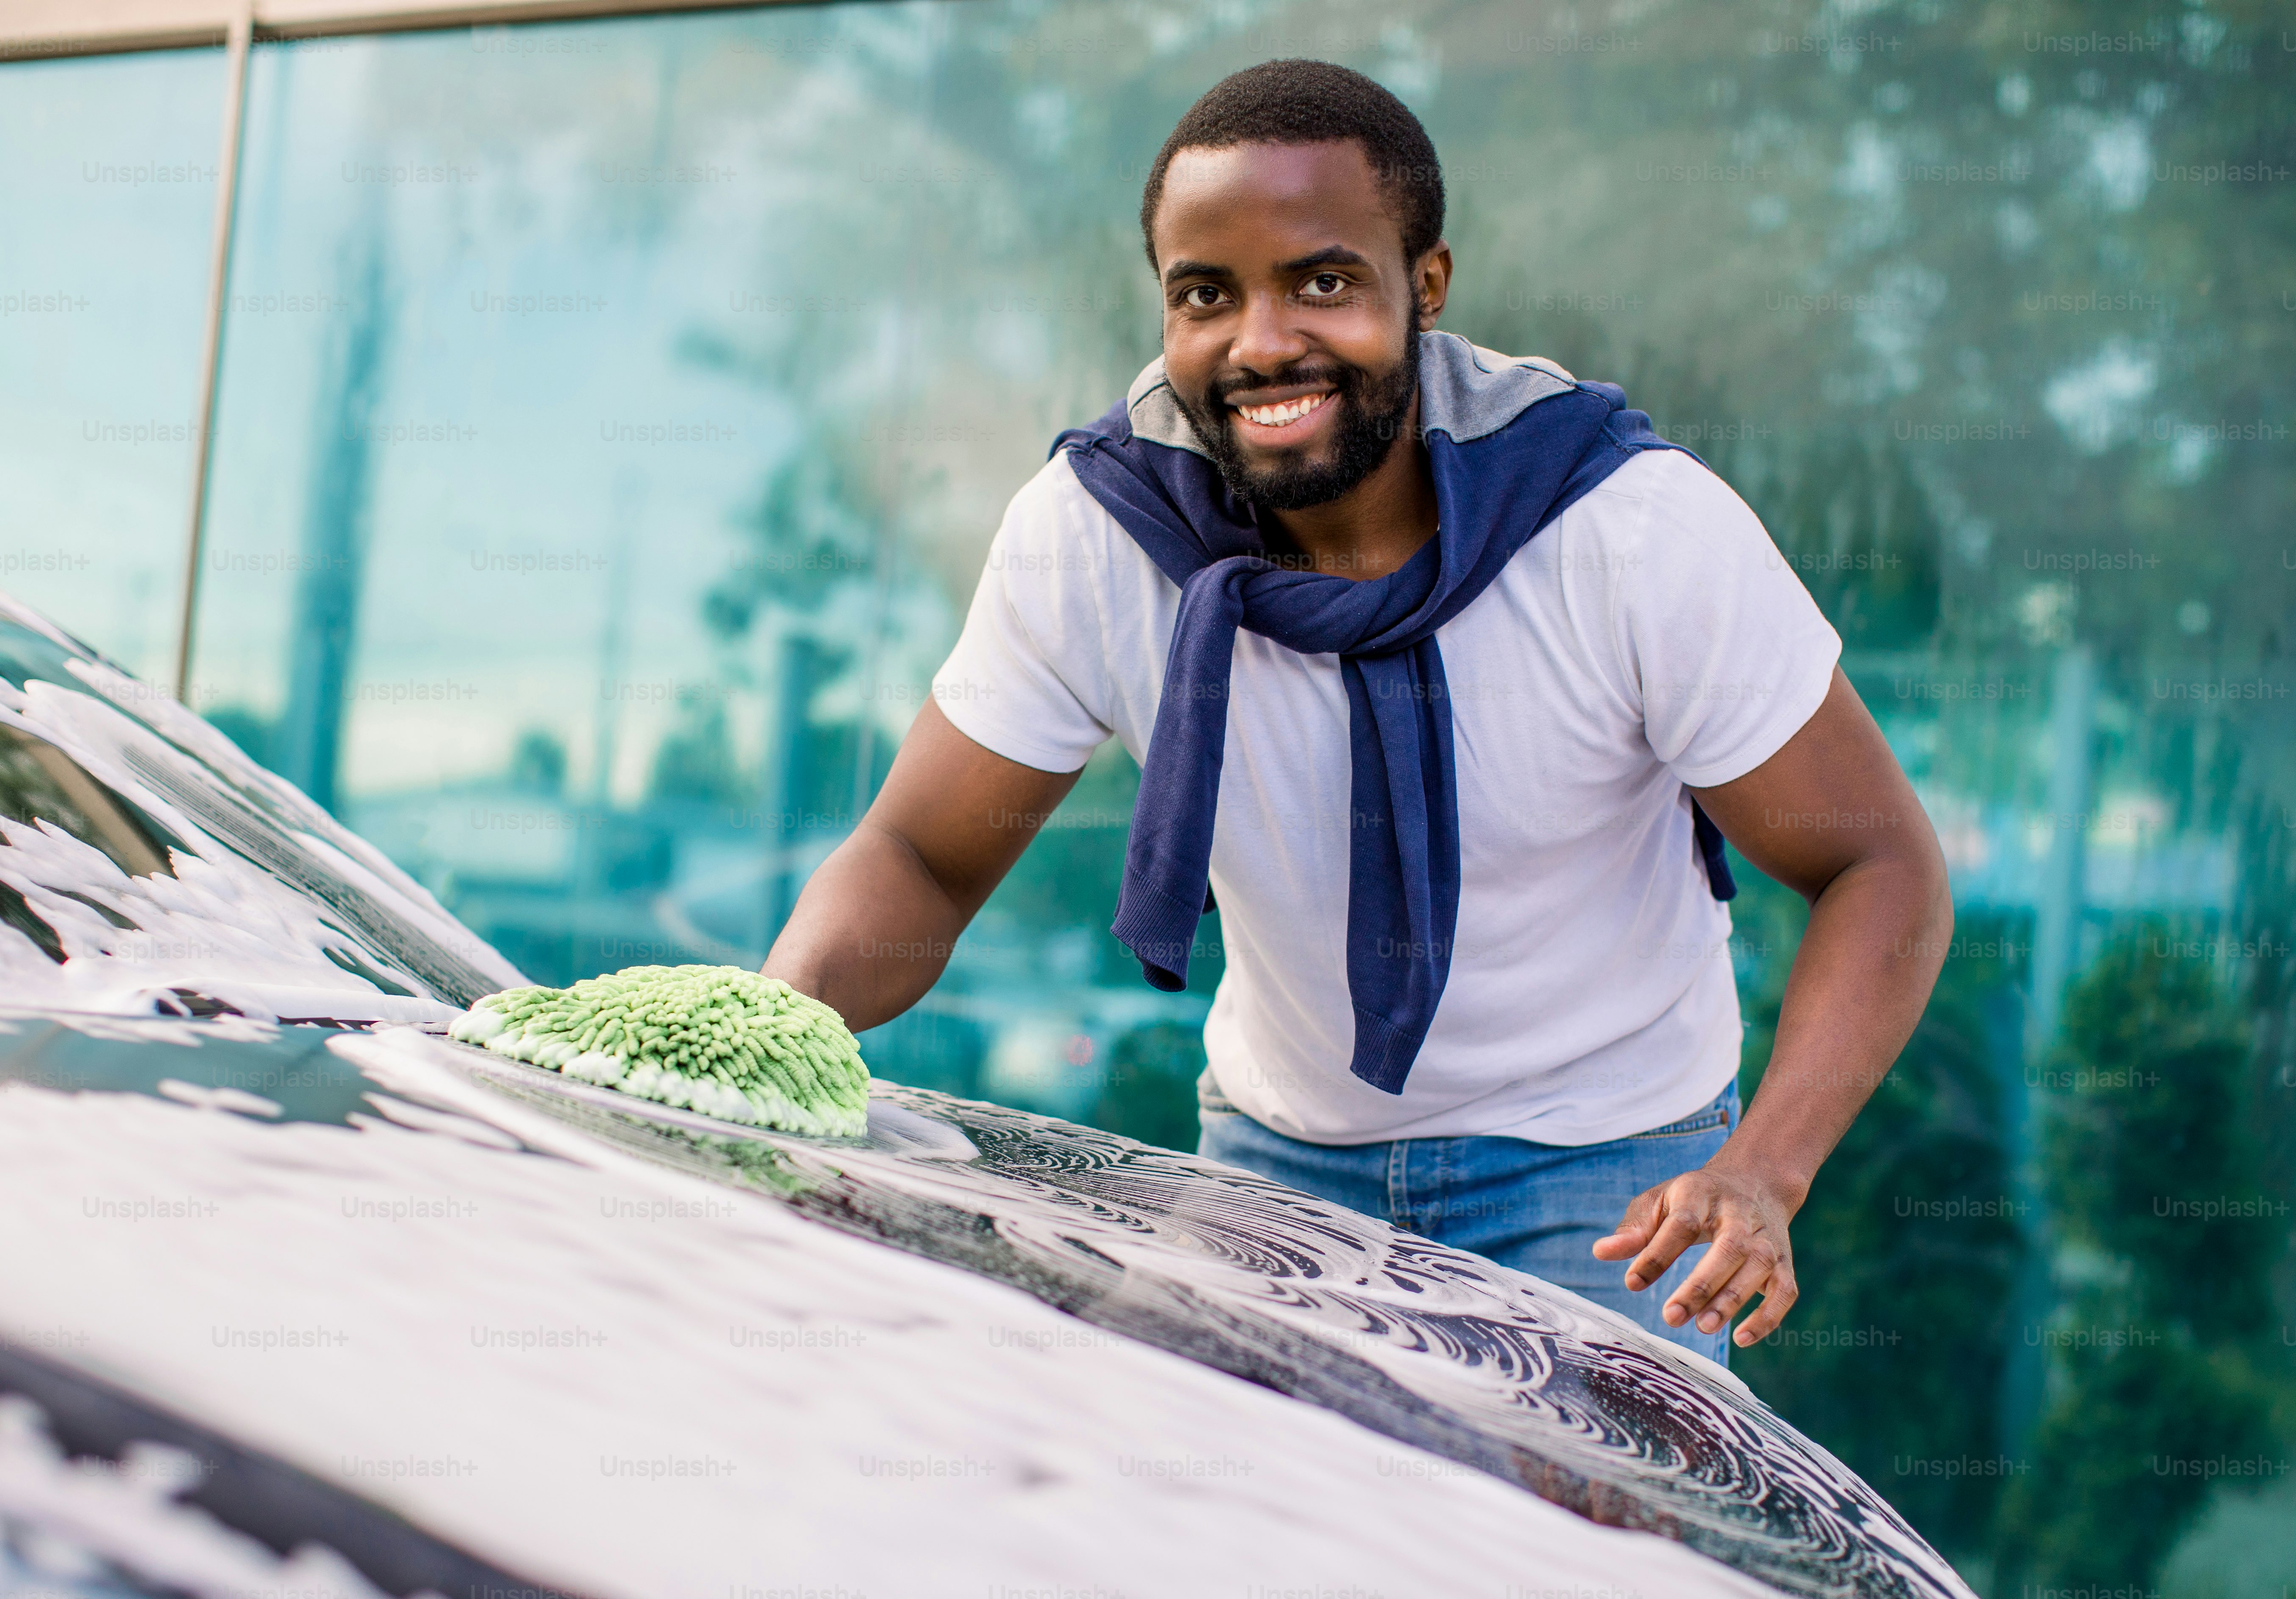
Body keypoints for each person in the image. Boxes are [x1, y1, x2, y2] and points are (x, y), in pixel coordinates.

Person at [762, 60, 1951, 1366]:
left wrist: (1764, 1172)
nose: (1262, 342)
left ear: (1424, 287)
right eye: (1205, 294)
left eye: (1320, 282)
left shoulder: (1626, 526)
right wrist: (769, 1031)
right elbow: (922, 857)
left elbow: (1874, 864)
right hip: (1274, 1161)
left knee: (1575, 1575)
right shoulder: (1097, 533)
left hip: (1607, 1187)